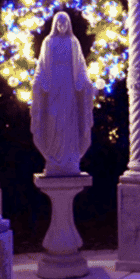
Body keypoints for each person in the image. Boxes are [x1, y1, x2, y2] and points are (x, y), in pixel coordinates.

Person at [30, 11, 94, 176]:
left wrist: (86, 83)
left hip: (68, 86)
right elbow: (42, 66)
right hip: (53, 86)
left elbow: (80, 67)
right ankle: (54, 157)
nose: (62, 26)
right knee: (53, 118)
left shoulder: (73, 42)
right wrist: (38, 82)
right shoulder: (48, 42)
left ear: (69, 25)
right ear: (55, 25)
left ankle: (69, 157)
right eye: (59, 24)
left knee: (68, 119)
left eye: (65, 23)